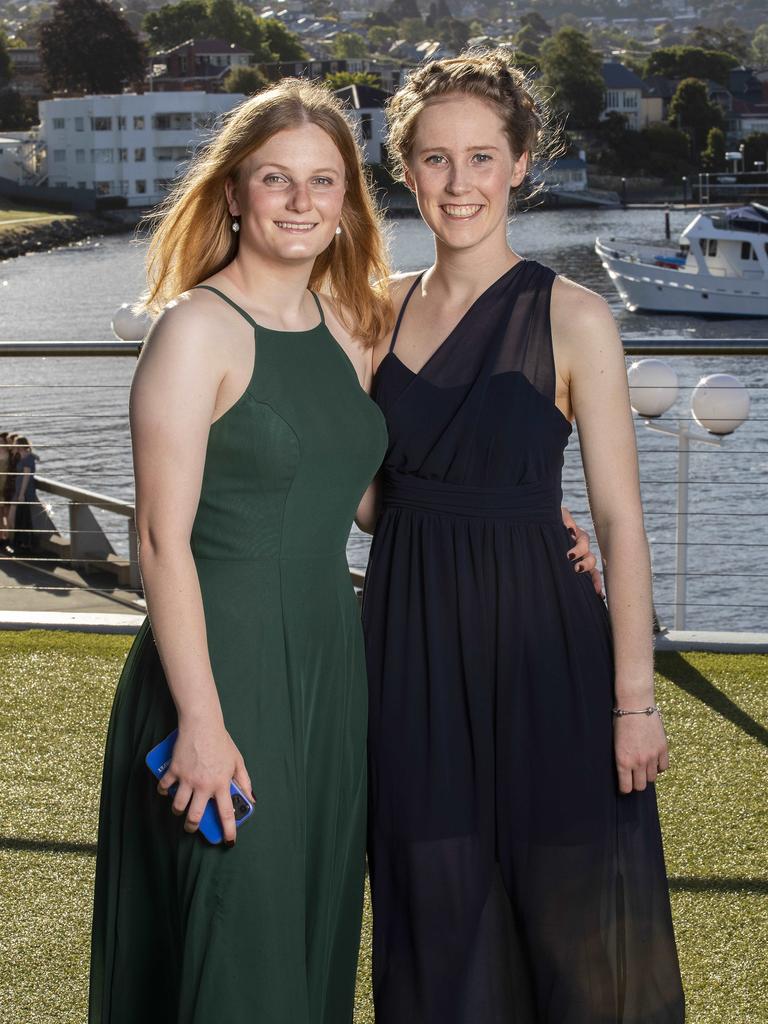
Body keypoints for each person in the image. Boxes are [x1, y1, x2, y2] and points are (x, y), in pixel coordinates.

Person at [359, 53, 685, 1022]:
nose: (459, 184)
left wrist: (636, 704)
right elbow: (372, 500)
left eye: (481, 158)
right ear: (405, 168)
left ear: (521, 163)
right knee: (435, 907)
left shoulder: (576, 317)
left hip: (547, 651)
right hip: (409, 650)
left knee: (570, 921)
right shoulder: (370, 312)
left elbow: (621, 523)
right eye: (435, 159)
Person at [88, 78, 391, 1024]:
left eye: (324, 181)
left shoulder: (351, 329)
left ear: (347, 202)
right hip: (221, 668)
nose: (302, 202)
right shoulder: (195, 330)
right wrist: (204, 724)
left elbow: (376, 506)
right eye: (276, 179)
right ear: (233, 193)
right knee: (236, 931)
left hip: (328, 668)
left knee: (309, 921)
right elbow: (156, 542)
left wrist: (534, 520)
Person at [11, 436, 39, 555]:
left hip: (25, 493)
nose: (14, 446)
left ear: (21, 445)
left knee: (24, 518)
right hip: (20, 492)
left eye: (16, 444)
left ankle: (25, 544)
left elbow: (26, 478)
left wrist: (21, 494)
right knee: (21, 517)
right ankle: (22, 543)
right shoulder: (22, 456)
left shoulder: (28, 458)